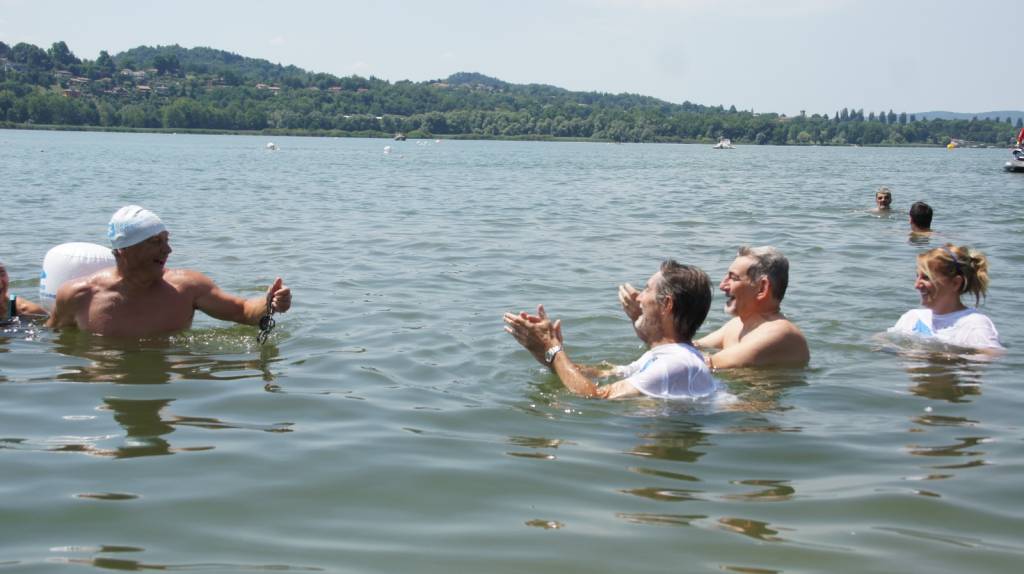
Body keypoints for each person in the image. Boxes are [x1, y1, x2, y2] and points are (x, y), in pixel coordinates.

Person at [46, 205, 291, 338]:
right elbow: (55, 341)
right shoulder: (77, 296)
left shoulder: (187, 288)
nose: (168, 250)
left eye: (167, 240)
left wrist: (270, 304)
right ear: (124, 250)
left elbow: (244, 312)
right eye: (155, 242)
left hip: (169, 373)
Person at [504, 260, 718, 400]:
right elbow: (603, 375)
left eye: (646, 289)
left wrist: (554, 349)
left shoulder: (676, 363)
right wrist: (546, 352)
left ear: (667, 305)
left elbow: (597, 397)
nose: (638, 297)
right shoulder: (666, 357)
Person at [628, 246, 808, 369]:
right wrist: (649, 319)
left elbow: (703, 365)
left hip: (756, 417)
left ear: (762, 288)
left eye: (733, 278)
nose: (722, 285)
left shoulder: (779, 333)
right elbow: (686, 348)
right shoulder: (736, 325)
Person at [888, 244, 1002, 351]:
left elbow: (991, 357)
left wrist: (936, 355)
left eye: (926, 278)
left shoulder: (974, 325)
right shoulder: (912, 317)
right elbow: (883, 345)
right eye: (917, 277)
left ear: (955, 283)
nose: (917, 285)